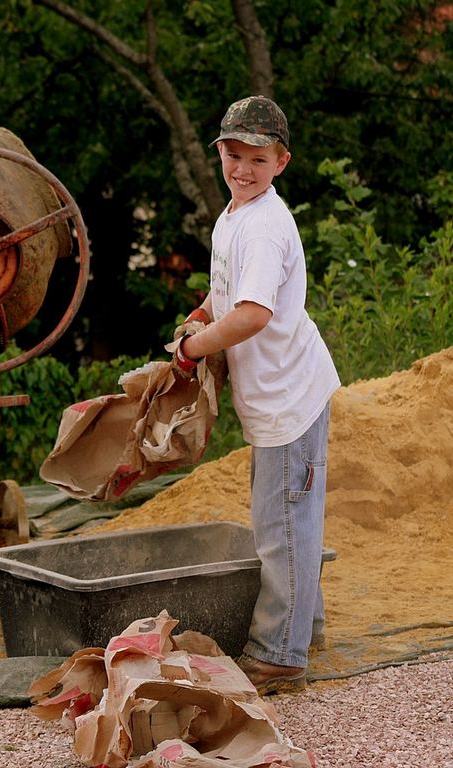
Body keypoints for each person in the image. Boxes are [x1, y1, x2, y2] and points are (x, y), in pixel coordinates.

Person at [170, 95, 340, 695]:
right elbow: (227, 296)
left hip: (289, 394)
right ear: (221, 152)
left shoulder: (266, 224)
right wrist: (199, 314)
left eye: (257, 157)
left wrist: (194, 350)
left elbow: (252, 314)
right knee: (291, 516)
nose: (243, 167)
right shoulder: (236, 213)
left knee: (282, 526)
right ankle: (306, 627)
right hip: (274, 394)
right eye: (233, 154)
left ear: (281, 161)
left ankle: (278, 654)